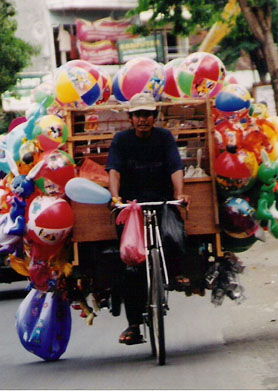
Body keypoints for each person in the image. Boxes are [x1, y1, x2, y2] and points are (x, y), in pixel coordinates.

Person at [106, 93, 191, 345]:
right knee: (130, 266)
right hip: (131, 207)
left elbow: (176, 166)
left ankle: (175, 273)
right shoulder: (121, 140)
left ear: (154, 117)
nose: (142, 119)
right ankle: (133, 326)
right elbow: (114, 170)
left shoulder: (164, 138)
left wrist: (179, 193)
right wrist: (115, 197)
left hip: (162, 201)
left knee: (174, 235)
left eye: (147, 115)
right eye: (138, 115)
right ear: (130, 118)